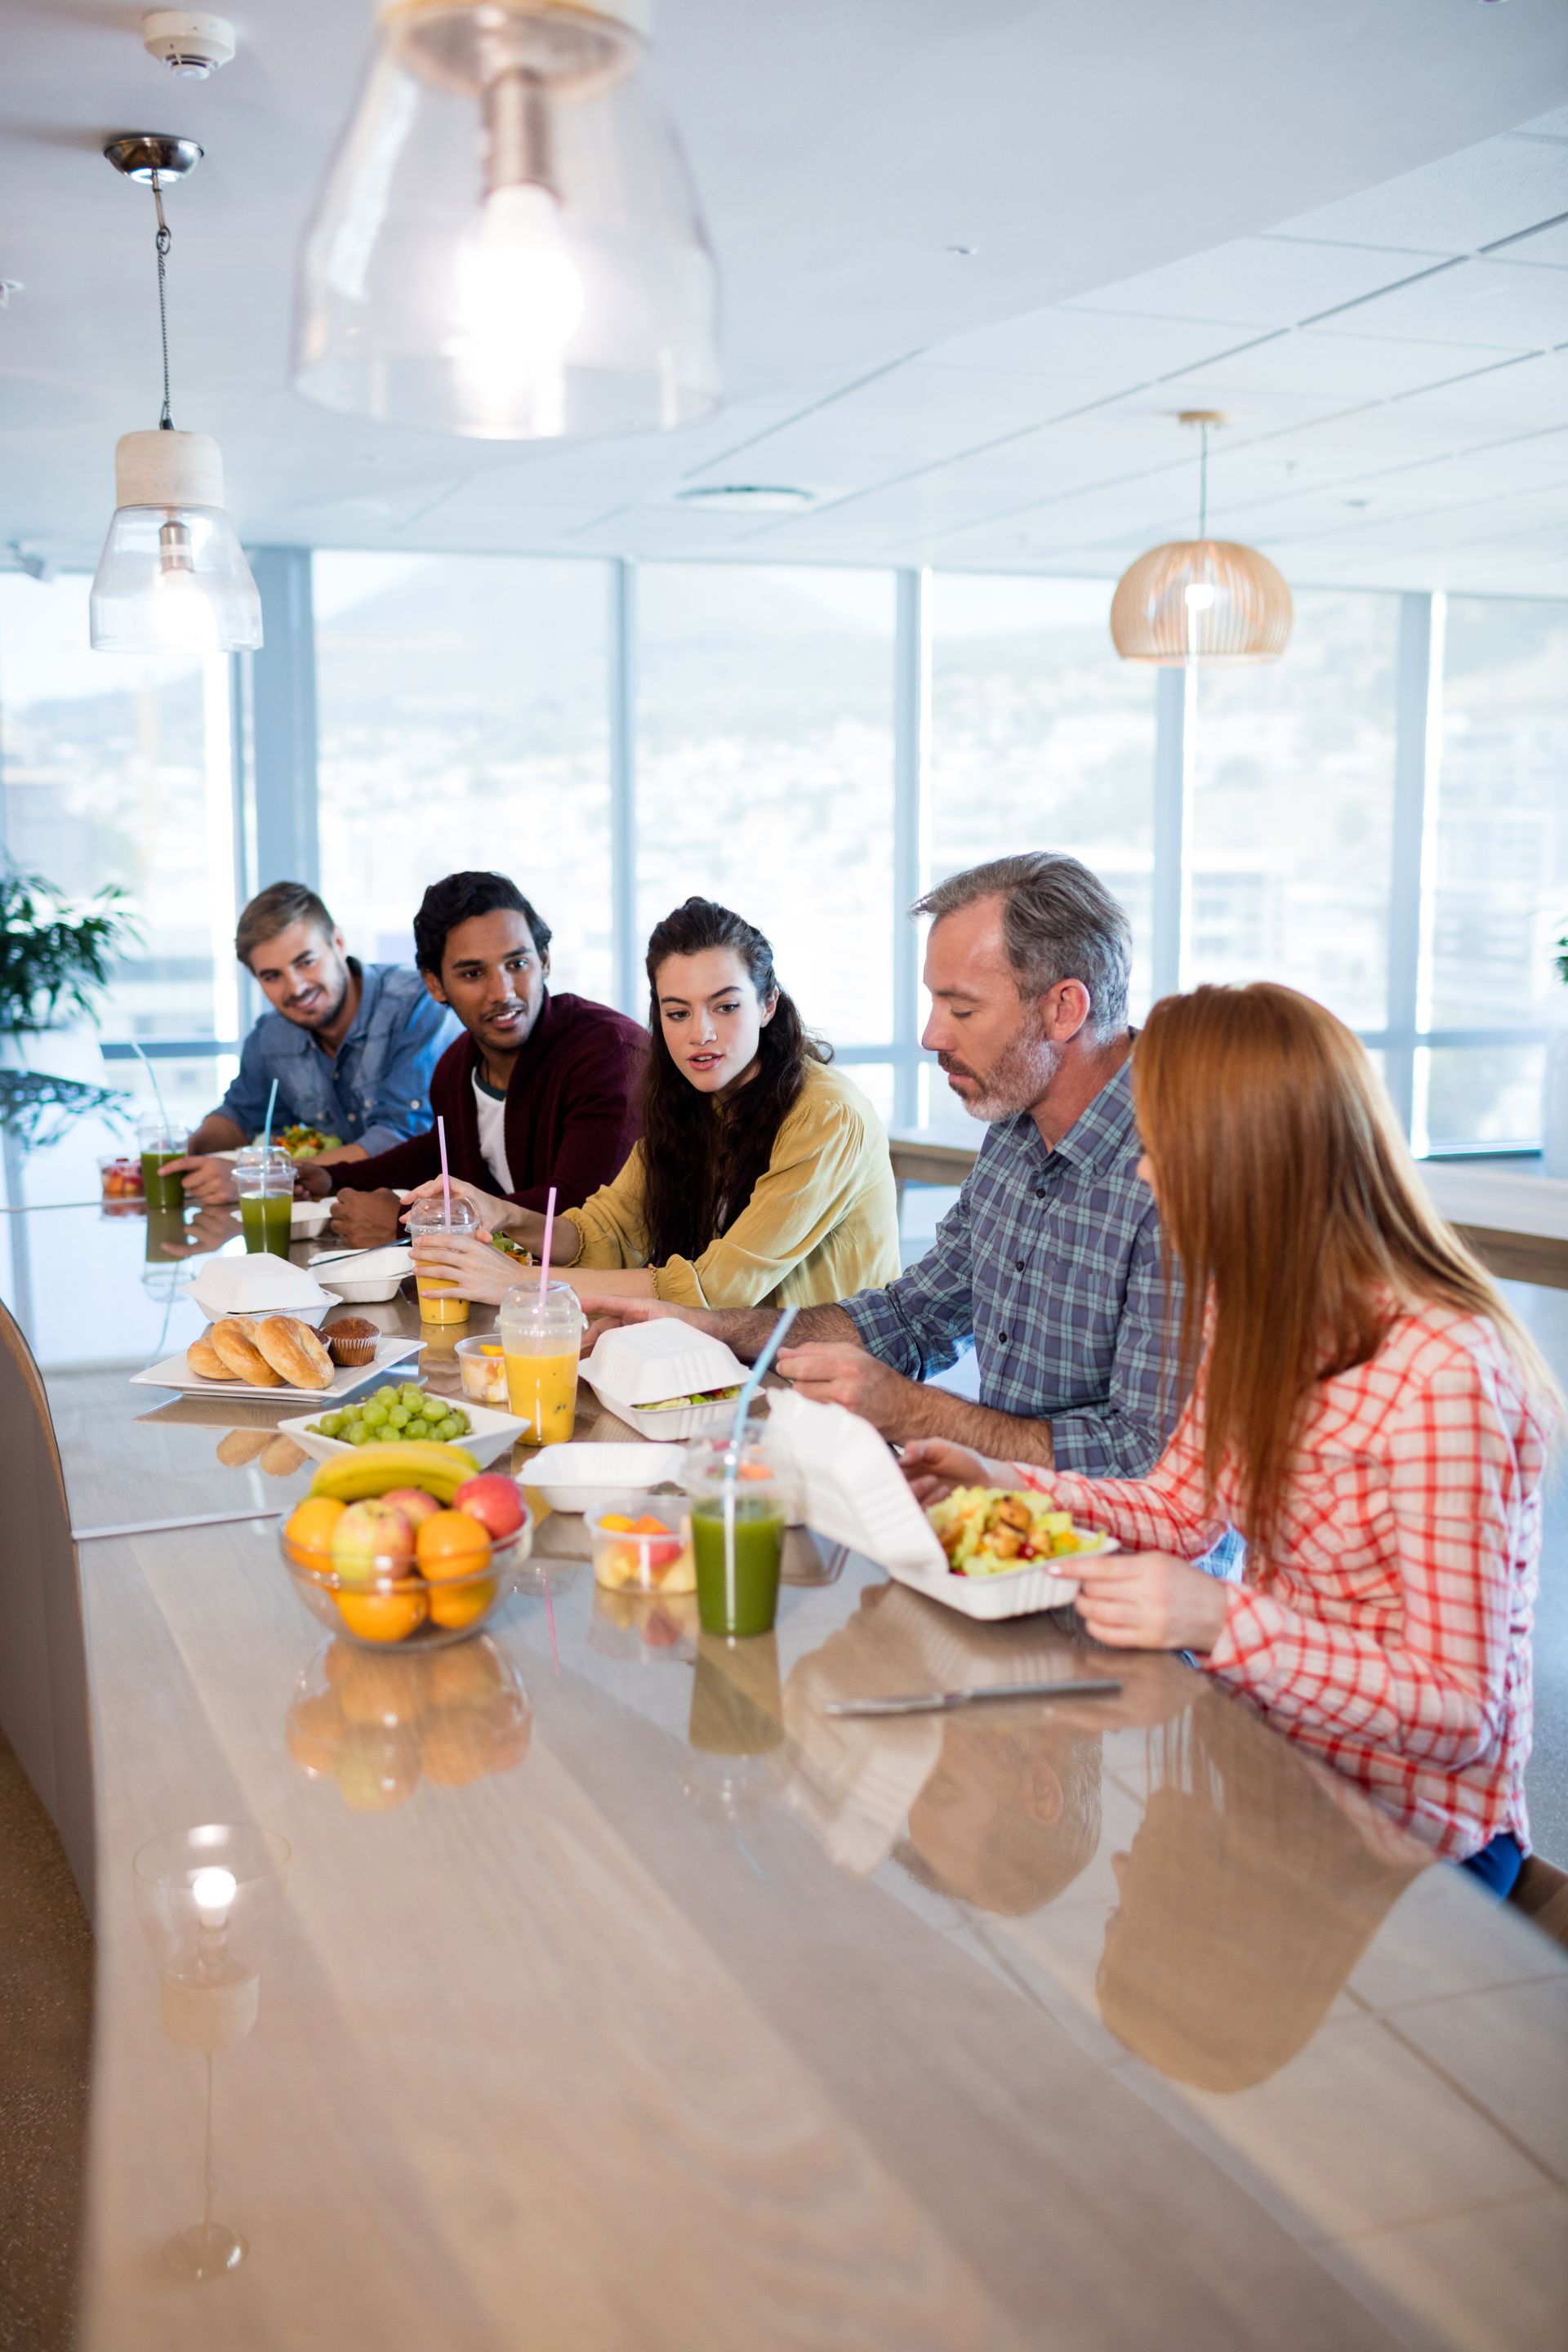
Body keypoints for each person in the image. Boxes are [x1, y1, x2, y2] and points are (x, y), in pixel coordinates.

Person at [902, 982, 1559, 1891]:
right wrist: (1008, 1481)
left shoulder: (1444, 1373)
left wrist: (1219, 1619)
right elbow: (1181, 1508)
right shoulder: (1246, 1303)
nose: (1144, 1176)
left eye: (1163, 1149)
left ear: (1249, 1158)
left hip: (1415, 1842)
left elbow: (1460, 1713)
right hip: (1276, 1769)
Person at [574, 854, 1187, 1477]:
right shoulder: (1015, 1133)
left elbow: (1146, 1458)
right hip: (1007, 1507)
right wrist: (705, 1326)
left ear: (1064, 1009)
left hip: (1102, 1536)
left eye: (962, 1009)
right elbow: (911, 1319)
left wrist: (914, 1411)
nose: (931, 1035)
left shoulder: (1181, 1176)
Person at [406, 898, 901, 1309]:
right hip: (728, 1362)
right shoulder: (692, 1101)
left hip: (823, 1378)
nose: (701, 1034)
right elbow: (606, 1235)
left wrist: (519, 1282)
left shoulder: (825, 1115)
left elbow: (717, 1289)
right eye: (678, 1013)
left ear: (767, 1004)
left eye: (726, 1006)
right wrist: (503, 1214)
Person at [296, 871, 644, 1249]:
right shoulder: (456, 1067)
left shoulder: (610, 1055)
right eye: (473, 973)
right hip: (522, 1279)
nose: (502, 992)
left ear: (544, 960)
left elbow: (579, 1215)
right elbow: (440, 1151)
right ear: (435, 984)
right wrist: (333, 1178)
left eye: (517, 964)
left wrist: (409, 1225)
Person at [163, 881, 458, 1205]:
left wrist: (257, 1177)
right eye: (272, 976)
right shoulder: (271, 1035)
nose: (296, 988)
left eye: (306, 962)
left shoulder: (416, 1005)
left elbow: (397, 1137)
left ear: (338, 943)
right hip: (341, 1209)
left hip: (436, 1210)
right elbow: (240, 1114)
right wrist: (187, 1151)